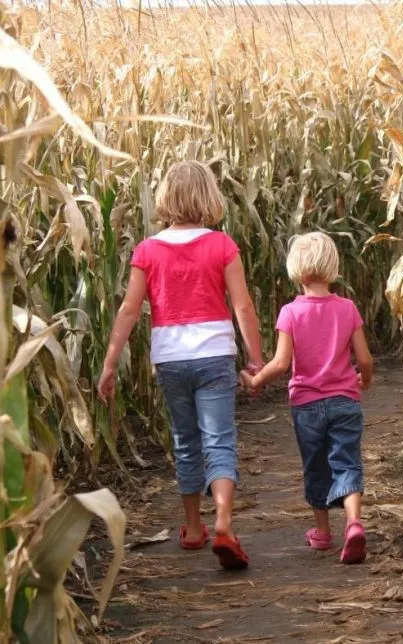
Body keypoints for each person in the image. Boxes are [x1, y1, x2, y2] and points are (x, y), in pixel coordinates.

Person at [97, 160, 263, 570]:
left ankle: (192, 528)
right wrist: (257, 358)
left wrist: (109, 363)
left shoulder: (148, 250)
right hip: (215, 354)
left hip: (171, 358)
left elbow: (129, 310)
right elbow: (242, 306)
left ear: (166, 198)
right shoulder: (222, 245)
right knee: (219, 440)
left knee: (186, 441)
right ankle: (223, 521)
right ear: (209, 196)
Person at [240, 232, 373, 564]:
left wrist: (256, 379)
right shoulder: (347, 308)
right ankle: (354, 524)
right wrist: (364, 379)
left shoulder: (290, 313)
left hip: (307, 405)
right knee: (347, 462)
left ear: (295, 269)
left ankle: (323, 532)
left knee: (316, 467)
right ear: (333, 268)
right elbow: (365, 359)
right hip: (345, 400)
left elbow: (282, 363)